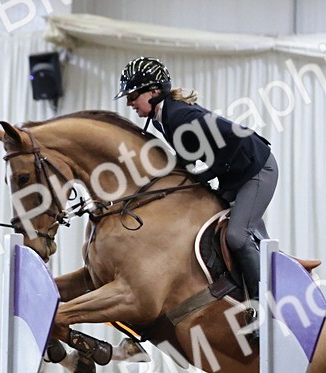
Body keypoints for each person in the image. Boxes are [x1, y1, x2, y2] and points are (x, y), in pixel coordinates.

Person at [115, 57, 276, 317]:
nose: (129, 103)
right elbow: (191, 160)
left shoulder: (180, 116)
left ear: (154, 92)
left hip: (255, 169)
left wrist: (201, 177)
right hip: (234, 171)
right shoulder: (161, 117)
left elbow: (222, 151)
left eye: (133, 95)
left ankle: (264, 306)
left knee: (236, 236)